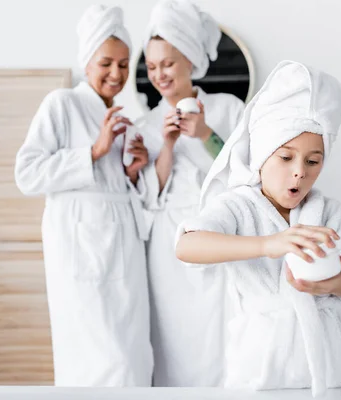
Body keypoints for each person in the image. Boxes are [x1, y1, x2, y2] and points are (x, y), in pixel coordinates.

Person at [175, 60, 341, 396]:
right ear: (262, 154)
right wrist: (269, 244)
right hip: (261, 366)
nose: (299, 172)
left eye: (313, 161)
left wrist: (334, 282)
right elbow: (187, 247)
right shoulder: (237, 206)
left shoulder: (327, 211)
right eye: (285, 157)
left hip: (326, 366)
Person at [14, 4, 153, 386]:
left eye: (124, 65)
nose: (116, 73)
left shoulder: (119, 112)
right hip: (81, 247)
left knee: (133, 350)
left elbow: (113, 185)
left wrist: (130, 173)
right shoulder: (61, 104)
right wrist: (94, 151)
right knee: (97, 353)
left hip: (122, 243)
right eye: (107, 62)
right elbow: (26, 174)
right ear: (88, 60)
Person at [139, 0, 245, 387]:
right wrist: (166, 145)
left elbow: (247, 175)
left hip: (218, 235)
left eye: (167, 63)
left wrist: (203, 135)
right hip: (168, 246)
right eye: (152, 67)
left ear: (189, 59)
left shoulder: (228, 109)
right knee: (172, 336)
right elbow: (150, 195)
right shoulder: (146, 123)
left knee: (220, 333)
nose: (160, 75)